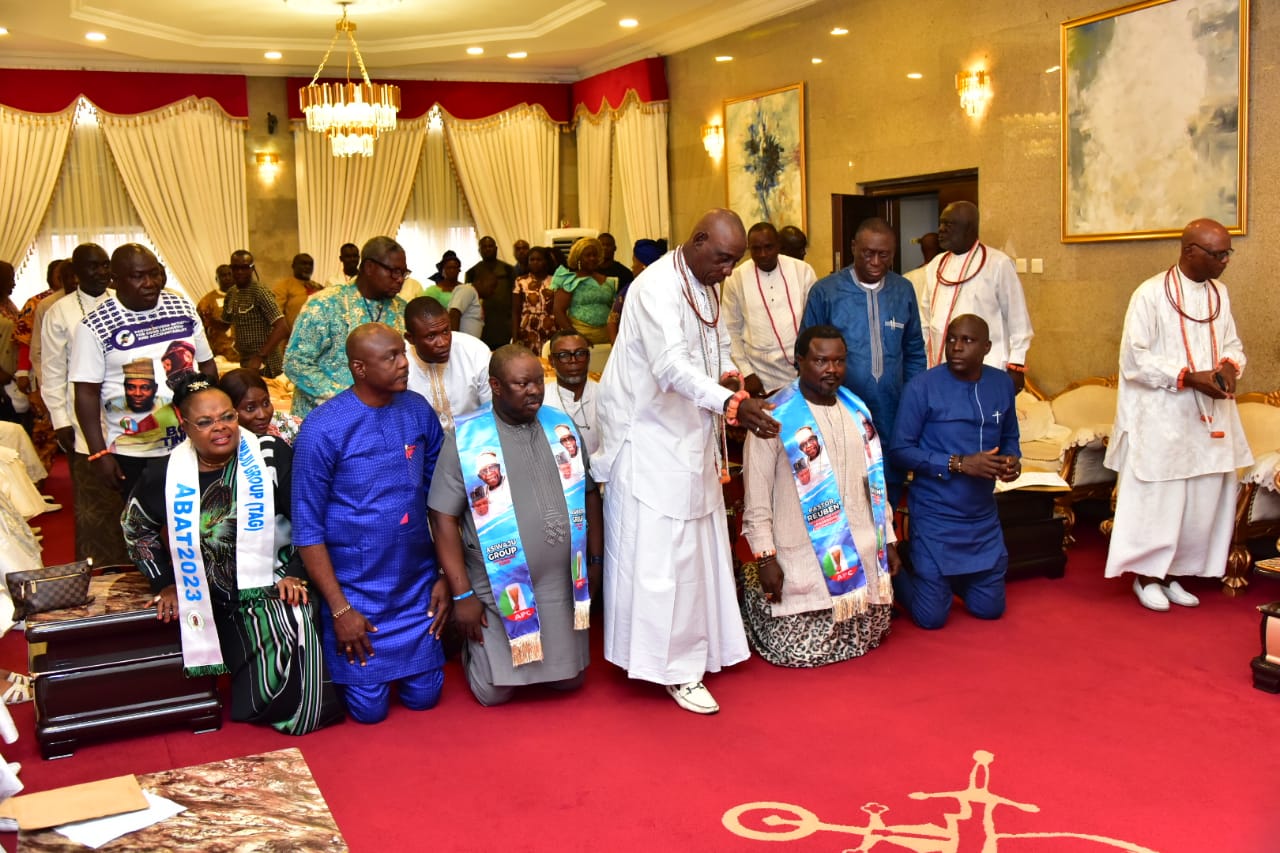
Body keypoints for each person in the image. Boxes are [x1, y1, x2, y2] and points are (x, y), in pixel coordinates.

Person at [595, 209, 778, 714]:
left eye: (734, 261)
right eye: (723, 258)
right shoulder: (656, 288)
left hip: (690, 430)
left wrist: (732, 378)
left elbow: (717, 345)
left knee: (697, 548)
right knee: (662, 557)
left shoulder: (705, 281)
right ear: (697, 241)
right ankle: (671, 667)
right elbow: (671, 367)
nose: (729, 270)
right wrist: (731, 404)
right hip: (649, 436)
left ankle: (701, 648)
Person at [121, 375, 343, 734]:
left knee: (295, 614)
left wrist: (296, 572)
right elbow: (136, 529)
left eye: (227, 416)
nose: (220, 427)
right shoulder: (164, 473)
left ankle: (287, 702)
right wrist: (164, 582)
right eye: (205, 422)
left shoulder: (269, 455)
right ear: (185, 425)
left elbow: (308, 518)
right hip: (203, 591)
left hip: (269, 579)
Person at [291, 323, 451, 724]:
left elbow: (443, 501)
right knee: (369, 711)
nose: (404, 363)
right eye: (391, 357)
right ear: (359, 368)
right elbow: (307, 529)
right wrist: (340, 610)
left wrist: (445, 575)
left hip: (416, 587)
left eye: (402, 353)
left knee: (425, 698)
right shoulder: (322, 427)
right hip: (355, 592)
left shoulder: (417, 410)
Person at [429, 345, 604, 706]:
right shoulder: (466, 437)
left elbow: (589, 493)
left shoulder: (560, 424)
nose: (534, 391)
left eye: (538, 381)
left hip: (561, 581)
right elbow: (442, 515)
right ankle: (474, 654)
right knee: (493, 694)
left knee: (569, 683)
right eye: (522, 384)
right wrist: (462, 594)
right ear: (495, 386)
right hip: (497, 582)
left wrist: (596, 560)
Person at [1104, 218, 1251, 611]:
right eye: (1218, 254)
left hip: (1209, 417)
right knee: (1161, 500)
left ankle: (1174, 573)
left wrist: (1229, 367)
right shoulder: (1150, 294)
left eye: (1228, 253)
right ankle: (1148, 576)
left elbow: (1233, 343)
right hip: (1163, 416)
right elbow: (1134, 359)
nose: (1225, 261)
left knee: (1200, 498)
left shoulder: (1220, 294)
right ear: (1190, 251)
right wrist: (1187, 377)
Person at [741, 326, 898, 667]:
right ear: (799, 361)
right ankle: (751, 582)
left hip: (861, 554)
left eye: (839, 361)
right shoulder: (772, 417)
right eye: (820, 361)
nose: (832, 369)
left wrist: (888, 540)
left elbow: (875, 485)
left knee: (870, 634)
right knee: (797, 653)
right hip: (801, 560)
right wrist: (765, 559)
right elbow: (756, 499)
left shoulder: (858, 411)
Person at [889, 314, 1021, 629]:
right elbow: (899, 450)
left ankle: (947, 579)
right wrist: (958, 463)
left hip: (982, 517)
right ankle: (897, 572)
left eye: (967, 340)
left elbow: (1009, 437)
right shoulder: (922, 387)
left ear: (987, 347)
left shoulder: (1001, 384)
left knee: (989, 609)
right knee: (931, 618)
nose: (956, 347)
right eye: (951, 339)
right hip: (935, 514)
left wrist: (1012, 462)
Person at [71, 244, 216, 498]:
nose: (150, 283)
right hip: (133, 452)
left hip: (191, 441)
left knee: (200, 512)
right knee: (143, 518)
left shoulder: (181, 306)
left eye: (154, 273)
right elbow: (86, 393)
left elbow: (206, 365)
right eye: (138, 276)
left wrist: (213, 420)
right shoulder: (94, 325)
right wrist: (98, 453)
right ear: (115, 280)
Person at [801, 217, 926, 505]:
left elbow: (914, 351)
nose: (875, 262)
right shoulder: (825, 292)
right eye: (868, 253)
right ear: (853, 247)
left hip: (893, 411)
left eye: (884, 255)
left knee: (888, 489)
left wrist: (914, 403)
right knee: (844, 488)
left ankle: (887, 534)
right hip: (839, 410)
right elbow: (806, 355)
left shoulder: (903, 290)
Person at [42, 244, 131, 564]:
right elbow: (52, 370)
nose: (101, 272)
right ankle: (104, 567)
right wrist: (60, 419)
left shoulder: (124, 302)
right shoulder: (60, 312)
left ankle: (139, 564)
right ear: (76, 273)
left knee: (131, 497)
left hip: (128, 416)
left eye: (105, 265)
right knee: (95, 500)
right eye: (93, 266)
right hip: (83, 419)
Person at [284, 236, 411, 417]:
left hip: (379, 416)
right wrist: (350, 400)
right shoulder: (325, 304)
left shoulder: (401, 310)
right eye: (394, 272)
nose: (400, 280)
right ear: (369, 267)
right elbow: (295, 363)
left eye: (404, 273)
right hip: (323, 417)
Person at [918, 202, 1033, 391]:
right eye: (941, 223)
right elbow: (925, 319)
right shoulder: (935, 265)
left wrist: (1017, 365)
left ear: (969, 228)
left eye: (949, 224)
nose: (941, 229)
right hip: (942, 367)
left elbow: (1018, 320)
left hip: (987, 367)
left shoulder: (998, 264)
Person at [723, 222, 818, 397]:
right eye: (756, 249)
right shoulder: (735, 278)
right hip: (759, 376)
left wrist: (809, 364)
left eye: (768, 247)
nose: (763, 254)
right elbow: (731, 330)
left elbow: (815, 323)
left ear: (779, 246)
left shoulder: (803, 270)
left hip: (800, 371)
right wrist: (747, 373)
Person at [403, 296, 492, 432]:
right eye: (431, 336)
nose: (443, 342)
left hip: (475, 437)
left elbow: (491, 409)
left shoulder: (475, 352)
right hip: (423, 440)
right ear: (410, 338)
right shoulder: (399, 362)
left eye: (445, 331)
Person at [223, 250, 289, 378]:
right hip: (245, 360)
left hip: (267, 363)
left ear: (252, 268)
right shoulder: (231, 293)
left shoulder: (260, 292)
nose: (239, 272)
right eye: (235, 268)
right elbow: (225, 324)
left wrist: (260, 356)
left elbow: (282, 328)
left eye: (244, 267)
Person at [543, 330, 601, 456]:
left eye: (580, 353)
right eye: (564, 355)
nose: (573, 360)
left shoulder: (604, 395)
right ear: (551, 361)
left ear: (588, 357)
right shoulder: (541, 400)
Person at [551, 237, 617, 346]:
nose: (592, 258)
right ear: (578, 258)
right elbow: (558, 311)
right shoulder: (569, 280)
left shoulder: (608, 281)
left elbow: (614, 310)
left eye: (595, 255)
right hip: (580, 339)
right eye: (587, 255)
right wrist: (576, 336)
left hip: (607, 339)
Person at [219, 367, 301, 444]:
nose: (263, 415)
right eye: (250, 408)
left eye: (266, 403)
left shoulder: (285, 424)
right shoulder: (222, 444)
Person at [608, 238, 666, 343]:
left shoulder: (631, 289)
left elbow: (612, 320)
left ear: (643, 265)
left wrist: (615, 346)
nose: (632, 267)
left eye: (634, 262)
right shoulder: (667, 287)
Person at [465, 236, 516, 350]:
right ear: (479, 250)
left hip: (504, 324)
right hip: (481, 324)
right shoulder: (472, 272)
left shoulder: (508, 269)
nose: (488, 249)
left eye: (490, 246)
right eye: (484, 247)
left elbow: (515, 298)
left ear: (496, 249)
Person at [511, 246, 557, 353]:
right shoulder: (520, 281)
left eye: (539, 259)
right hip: (528, 328)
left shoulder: (555, 281)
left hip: (550, 327)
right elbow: (516, 311)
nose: (535, 262)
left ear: (546, 261)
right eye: (532, 260)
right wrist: (515, 336)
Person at [197, 264, 239, 360]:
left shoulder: (246, 295)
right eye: (223, 275)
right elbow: (201, 329)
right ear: (216, 279)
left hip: (247, 352)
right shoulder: (206, 301)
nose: (227, 278)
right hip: (221, 354)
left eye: (230, 274)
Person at [272, 253, 321, 331]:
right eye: (304, 264)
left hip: (317, 333)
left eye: (310, 264)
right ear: (293, 266)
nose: (307, 267)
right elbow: (276, 315)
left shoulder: (318, 287)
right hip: (292, 335)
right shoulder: (283, 286)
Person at [449, 269, 492, 339]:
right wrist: (455, 340)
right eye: (492, 286)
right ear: (479, 282)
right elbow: (454, 314)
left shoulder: (475, 296)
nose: (493, 291)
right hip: (461, 342)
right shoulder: (468, 290)